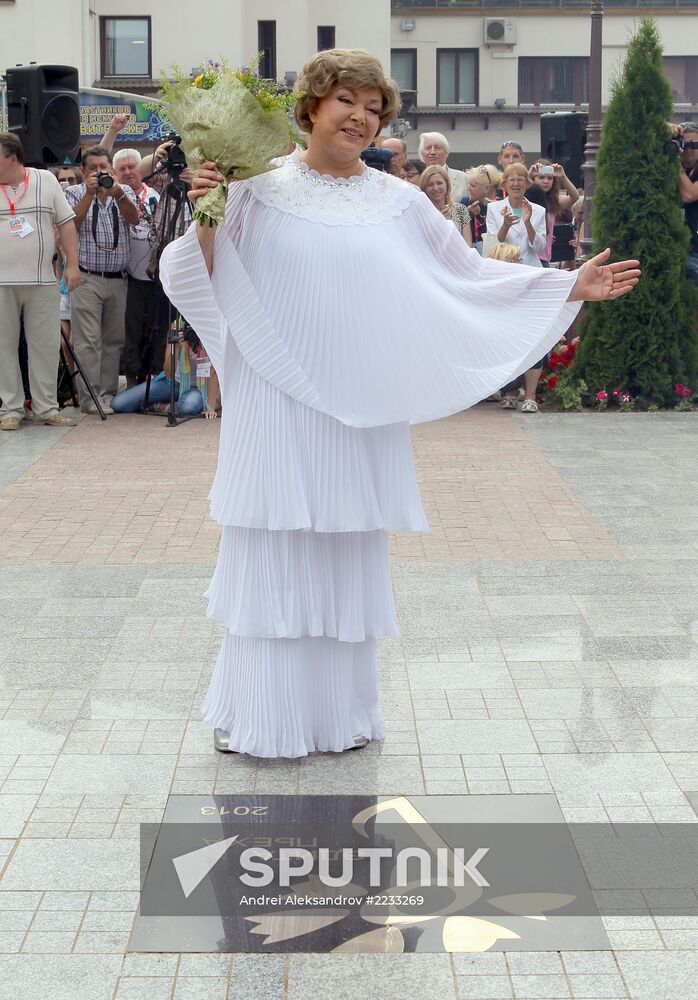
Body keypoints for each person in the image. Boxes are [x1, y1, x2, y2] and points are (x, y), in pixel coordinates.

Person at [159, 48, 640, 759]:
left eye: (373, 107)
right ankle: (263, 715)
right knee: (275, 553)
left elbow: (464, 277)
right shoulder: (253, 190)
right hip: (275, 399)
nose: (360, 117)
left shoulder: (402, 202)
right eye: (345, 101)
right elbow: (191, 275)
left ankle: (338, 716)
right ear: (310, 107)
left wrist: (563, 286)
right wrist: (207, 207)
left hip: (361, 406)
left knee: (345, 555)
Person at [0, 131, 80, 430]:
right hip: (1, 282)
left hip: (42, 278)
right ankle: (10, 409)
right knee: (2, 346)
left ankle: (46, 408)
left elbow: (66, 223)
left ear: (12, 158)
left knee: (45, 345)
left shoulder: (45, 180)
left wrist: (73, 266)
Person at [64, 145, 138, 414]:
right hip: (87, 277)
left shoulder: (124, 191)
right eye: (93, 168)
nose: (99, 172)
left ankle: (107, 395)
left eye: (103, 167)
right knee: (88, 341)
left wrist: (117, 194)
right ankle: (90, 398)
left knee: (113, 340)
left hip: (118, 278)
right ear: (83, 171)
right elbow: (71, 225)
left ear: (111, 169)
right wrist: (89, 193)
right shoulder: (74, 192)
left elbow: (134, 218)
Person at [112, 148, 164, 388]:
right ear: (114, 173)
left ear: (140, 169)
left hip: (156, 277)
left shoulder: (156, 196)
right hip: (128, 277)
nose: (128, 172)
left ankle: (157, 382)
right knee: (130, 332)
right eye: (121, 169)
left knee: (158, 330)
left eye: (132, 167)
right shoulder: (112, 198)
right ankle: (132, 385)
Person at [111, 323, 219, 418]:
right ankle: (171, 404)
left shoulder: (210, 329)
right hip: (172, 382)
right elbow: (168, 373)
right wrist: (176, 348)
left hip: (199, 387)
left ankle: (157, 406)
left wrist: (210, 407)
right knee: (118, 403)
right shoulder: (177, 325)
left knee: (188, 407)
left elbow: (213, 372)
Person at [527, 160, 580, 267]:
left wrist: (562, 176)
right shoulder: (524, 200)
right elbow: (516, 192)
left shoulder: (554, 202)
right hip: (527, 256)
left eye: (550, 178)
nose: (546, 181)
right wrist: (529, 175)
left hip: (545, 258)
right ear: (533, 179)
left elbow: (575, 196)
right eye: (541, 177)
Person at [419, 165, 472, 245]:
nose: (435, 188)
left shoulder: (460, 209)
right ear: (424, 188)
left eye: (439, 183)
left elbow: (468, 244)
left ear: (447, 184)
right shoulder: (421, 213)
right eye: (430, 184)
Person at [673, 121, 698, 285]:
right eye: (684, 144)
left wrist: (674, 161)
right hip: (675, 245)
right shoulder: (664, 167)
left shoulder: (675, 166)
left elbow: (689, 194)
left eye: (694, 144)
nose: (688, 149)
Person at [418, 131, 468, 200]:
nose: (432, 152)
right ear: (421, 153)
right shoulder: (415, 180)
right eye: (428, 148)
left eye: (437, 147)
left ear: (446, 152)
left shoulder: (464, 179)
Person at [462, 164, 500, 251]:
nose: (468, 189)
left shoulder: (499, 206)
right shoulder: (465, 202)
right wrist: (467, 213)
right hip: (471, 251)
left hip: (494, 251)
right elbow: (454, 226)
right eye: (469, 185)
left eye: (473, 186)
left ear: (487, 188)